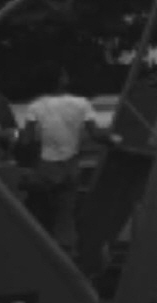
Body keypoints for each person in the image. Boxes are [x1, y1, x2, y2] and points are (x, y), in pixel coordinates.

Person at [19, 67, 103, 253]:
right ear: (61, 81)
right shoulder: (81, 103)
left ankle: (36, 242)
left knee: (36, 203)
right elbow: (96, 134)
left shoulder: (35, 107)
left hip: (46, 169)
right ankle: (67, 249)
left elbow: (26, 140)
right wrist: (114, 139)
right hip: (71, 168)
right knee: (66, 212)